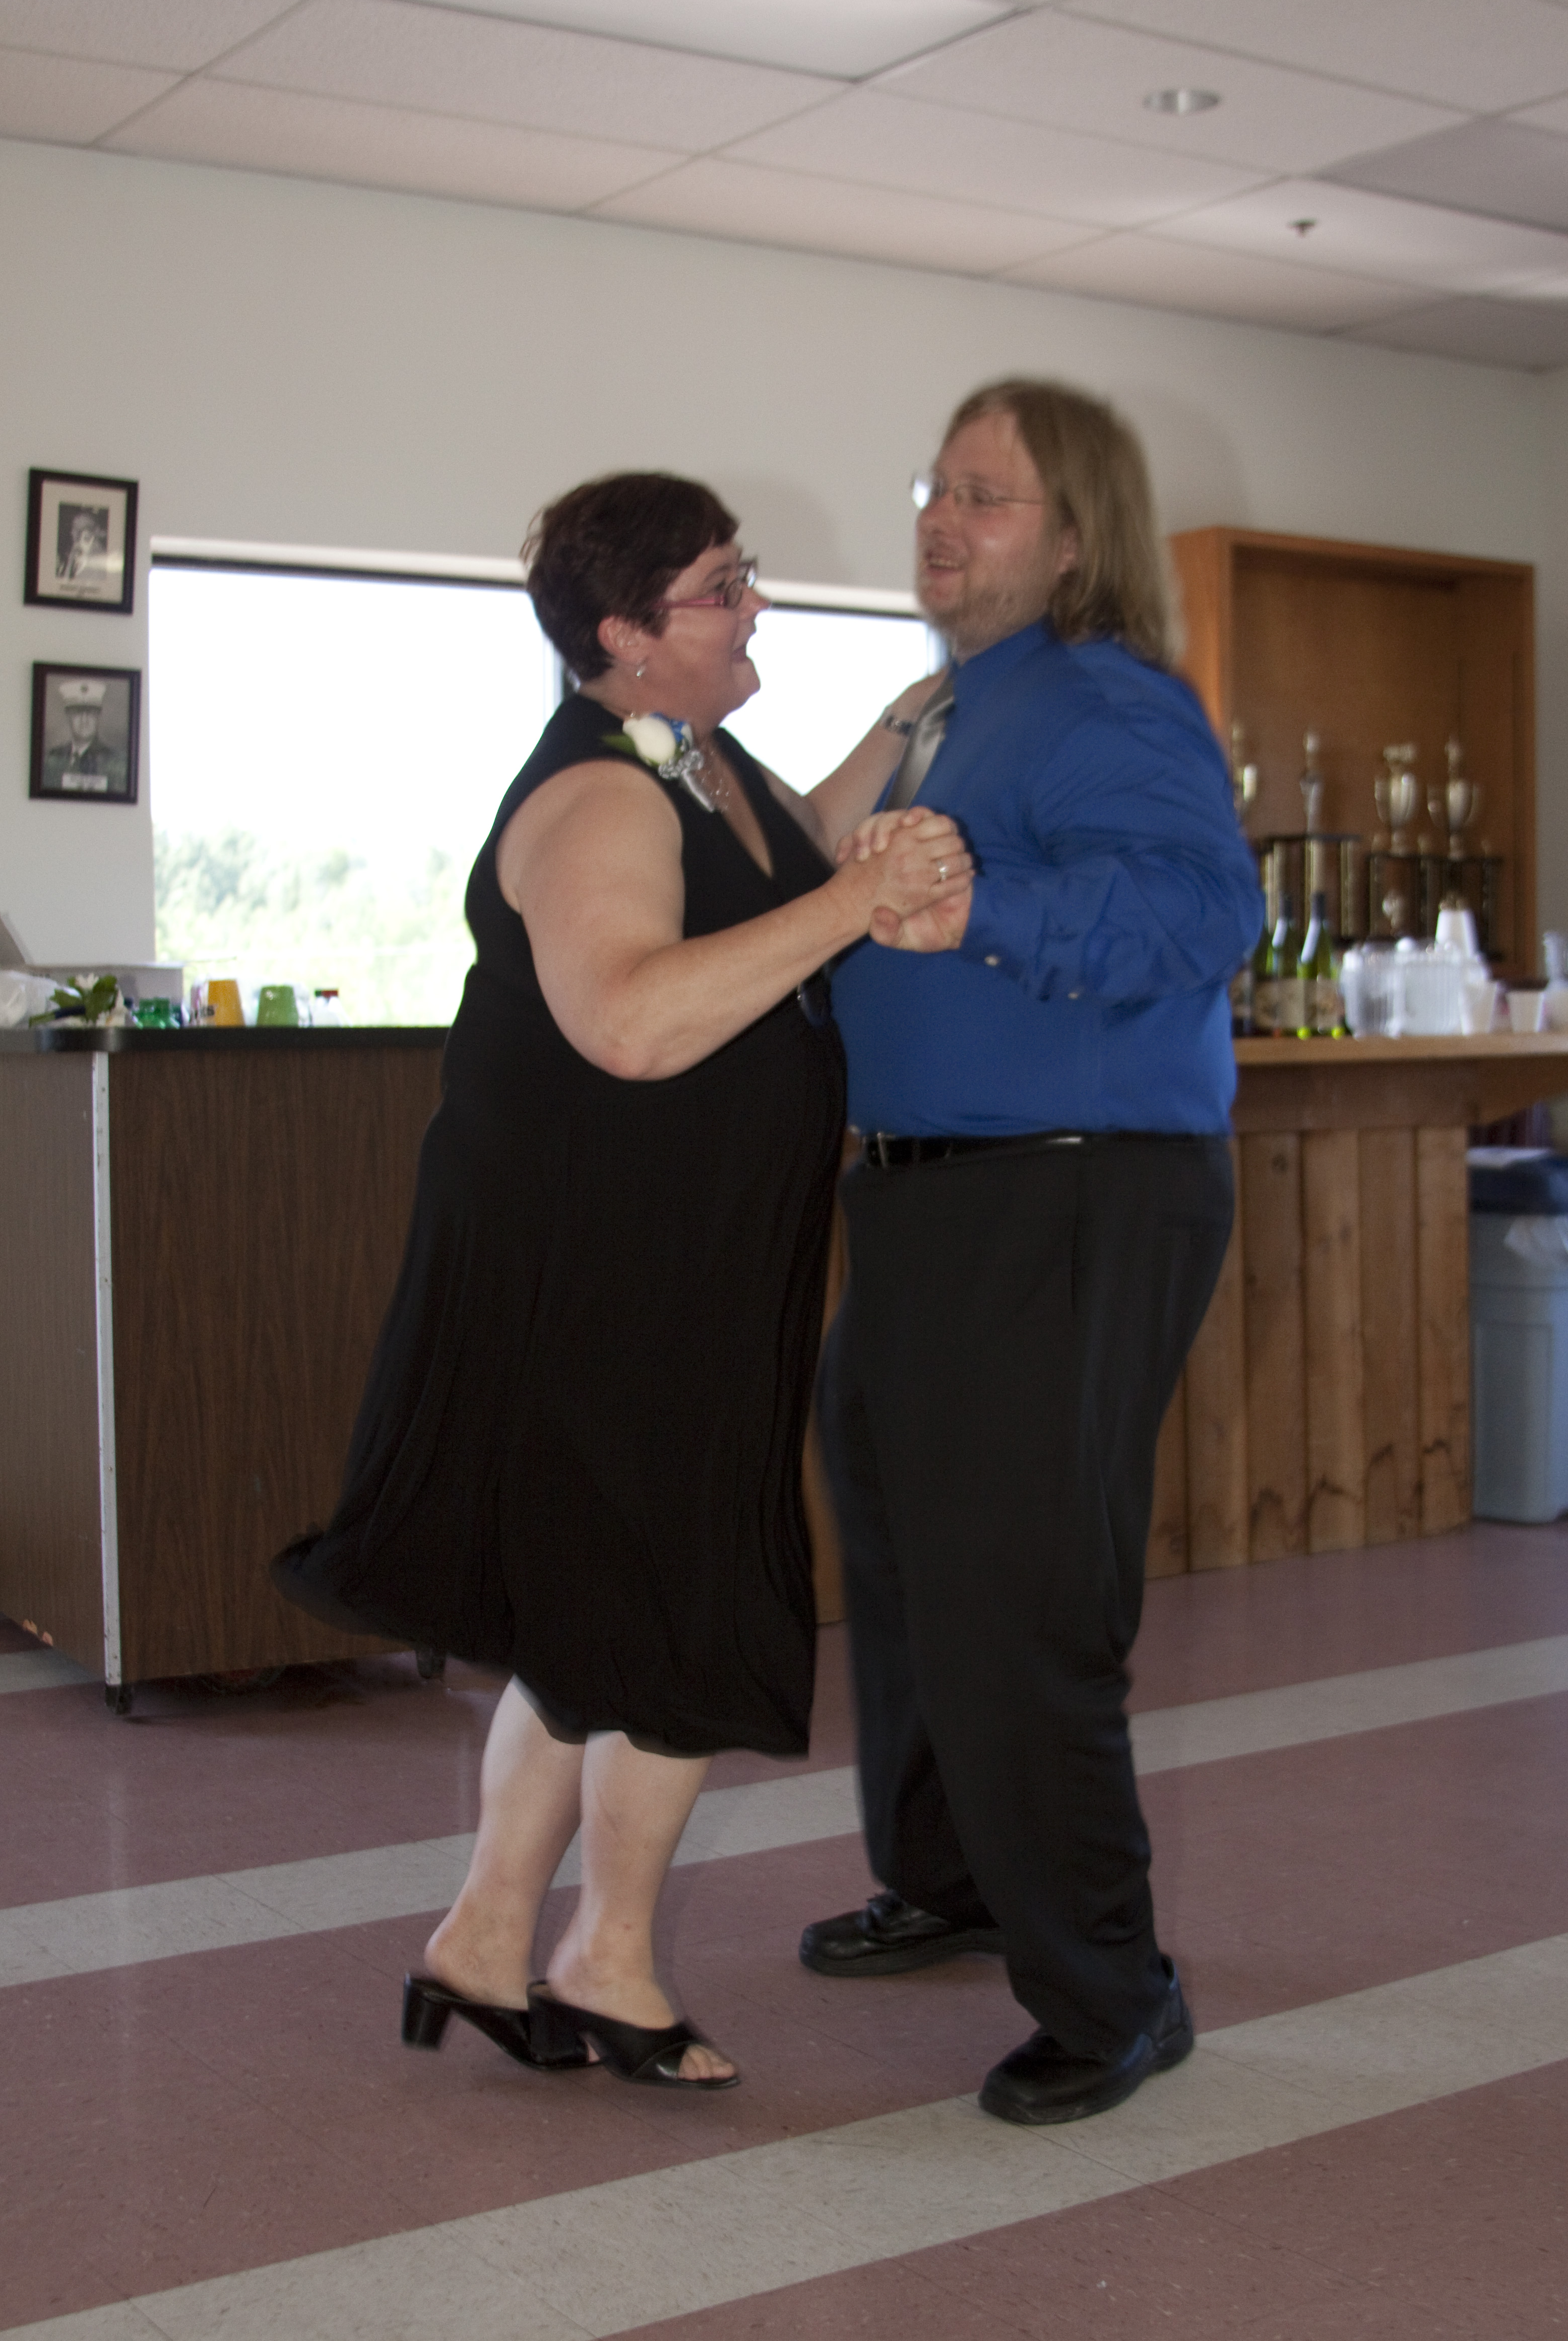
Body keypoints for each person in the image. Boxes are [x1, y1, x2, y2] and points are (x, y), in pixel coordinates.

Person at [274, 471, 967, 2091]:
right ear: (626, 635)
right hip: (613, 1280)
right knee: (679, 1618)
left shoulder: (698, 759)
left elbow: (795, 852)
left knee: (593, 1618)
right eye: (723, 586)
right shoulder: (599, 795)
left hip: (675, 1262)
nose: (755, 605)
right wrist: (860, 902)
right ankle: (611, 1962)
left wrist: (907, 724)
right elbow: (635, 1023)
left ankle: (485, 1939)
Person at [801, 379, 1265, 2126]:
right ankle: (951, 1879)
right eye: (935, 487)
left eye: (985, 496)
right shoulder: (950, 712)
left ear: (1075, 539)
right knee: (907, 1557)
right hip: (929, 1198)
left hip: (1065, 1191)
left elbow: (1205, 912)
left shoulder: (1104, 698)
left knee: (1017, 1596)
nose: (942, 518)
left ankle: (1111, 1992)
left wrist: (980, 905)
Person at [46, 677, 125, 794]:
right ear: (68, 716)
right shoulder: (53, 759)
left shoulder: (116, 762)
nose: (84, 720)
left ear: (98, 717)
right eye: (78, 713)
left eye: (90, 713)